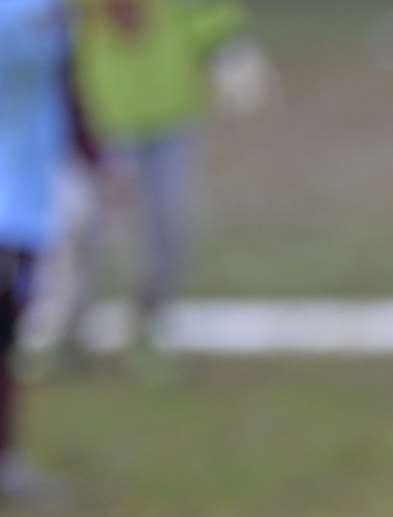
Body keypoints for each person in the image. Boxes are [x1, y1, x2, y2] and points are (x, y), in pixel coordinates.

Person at [49, 0, 260, 368]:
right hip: (102, 108)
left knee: (167, 223)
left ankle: (152, 324)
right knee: (86, 225)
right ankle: (71, 327)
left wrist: (227, 48)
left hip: (170, 108)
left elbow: (207, 13)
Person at [1, 0, 94, 508]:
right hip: (9, 200)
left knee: (8, 337)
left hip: (27, 199)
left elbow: (66, 81)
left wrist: (91, 152)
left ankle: (7, 463)